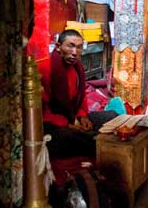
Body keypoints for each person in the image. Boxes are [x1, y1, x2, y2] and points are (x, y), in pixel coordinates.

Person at [38, 30, 117, 158]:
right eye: (70, 46)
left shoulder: (77, 68)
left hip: (73, 117)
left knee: (112, 116)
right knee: (83, 138)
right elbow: (42, 112)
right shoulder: (46, 70)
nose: (75, 53)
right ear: (58, 47)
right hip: (52, 124)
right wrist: (68, 124)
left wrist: (82, 116)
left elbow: (81, 97)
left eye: (79, 47)